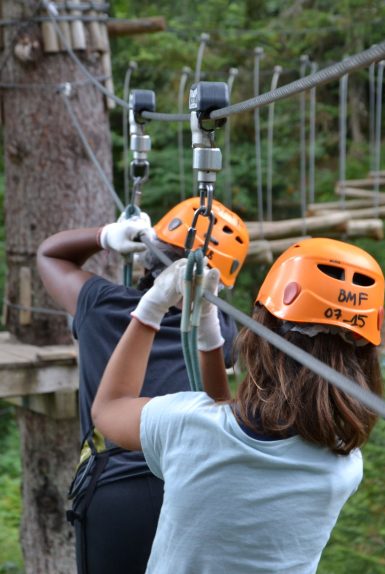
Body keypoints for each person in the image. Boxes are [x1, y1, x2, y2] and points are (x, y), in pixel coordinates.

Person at [92, 237, 385, 574]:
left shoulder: (184, 425)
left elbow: (109, 409)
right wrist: (209, 338)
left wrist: (152, 307)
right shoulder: (342, 468)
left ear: (262, 331)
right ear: (365, 356)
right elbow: (228, 425)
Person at [36, 197, 249, 574]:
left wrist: (105, 236)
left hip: (114, 487)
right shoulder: (223, 335)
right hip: (191, 489)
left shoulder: (101, 305)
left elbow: (50, 256)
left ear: (150, 256)